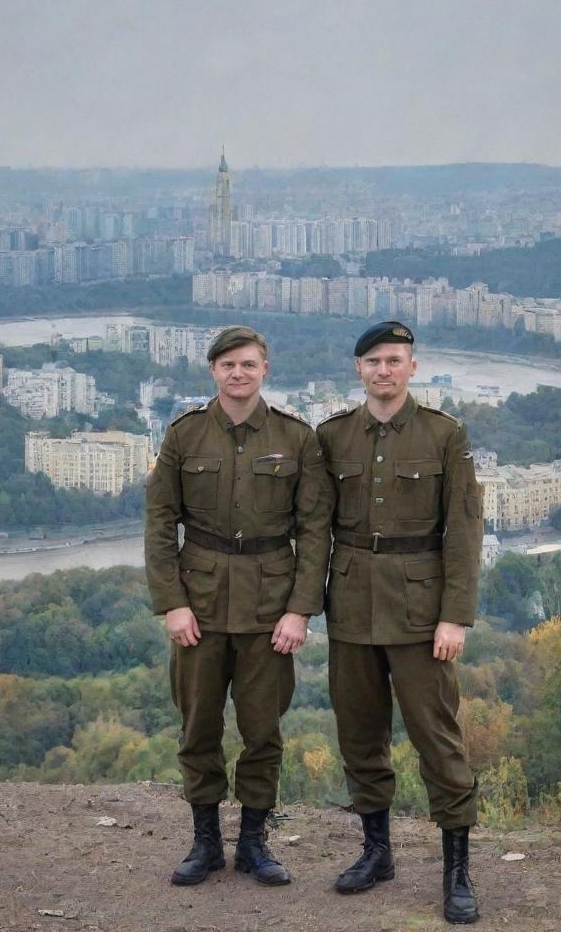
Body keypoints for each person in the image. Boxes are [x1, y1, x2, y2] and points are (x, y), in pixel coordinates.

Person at [145, 325, 333, 888]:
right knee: (198, 727)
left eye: (248, 364)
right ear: (213, 371)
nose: (238, 374)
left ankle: (253, 842)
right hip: (198, 606)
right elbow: (160, 526)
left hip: (268, 608)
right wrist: (171, 604)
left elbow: (315, 529)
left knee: (262, 731)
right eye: (228, 365)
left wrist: (300, 610)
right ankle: (205, 842)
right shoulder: (184, 435)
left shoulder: (296, 438)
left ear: (265, 369)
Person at [316, 320, 484, 925]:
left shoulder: (444, 435)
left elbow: (463, 533)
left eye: (394, 360)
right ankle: (377, 851)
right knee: (360, 735)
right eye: (373, 362)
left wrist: (455, 617)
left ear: (413, 367)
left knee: (437, 740)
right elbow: (316, 529)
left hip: (420, 611)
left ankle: (457, 869)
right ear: (358, 370)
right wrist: (306, 604)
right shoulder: (332, 436)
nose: (383, 370)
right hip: (352, 605)